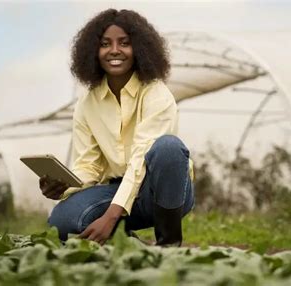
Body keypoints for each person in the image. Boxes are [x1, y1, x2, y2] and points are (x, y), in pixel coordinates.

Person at [40, 9, 194, 247]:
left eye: (124, 43)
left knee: (169, 148)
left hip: (163, 193)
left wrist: (111, 216)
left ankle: (168, 244)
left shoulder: (156, 93)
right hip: (115, 190)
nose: (114, 50)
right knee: (61, 221)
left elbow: (142, 158)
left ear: (140, 50)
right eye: (105, 44)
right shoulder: (87, 102)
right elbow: (89, 165)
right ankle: (128, 242)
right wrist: (64, 185)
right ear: (93, 51)